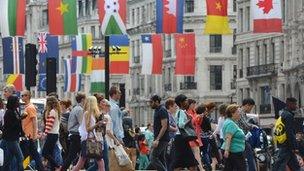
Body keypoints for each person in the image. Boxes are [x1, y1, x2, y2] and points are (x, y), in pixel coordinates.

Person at [72, 96, 105, 171]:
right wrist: (97, 124)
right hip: (89, 139)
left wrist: (101, 124)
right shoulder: (87, 113)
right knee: (99, 160)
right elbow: (88, 129)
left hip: (90, 139)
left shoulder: (93, 113)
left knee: (82, 161)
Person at [273, 98, 301, 171]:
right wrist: (294, 147)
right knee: (280, 166)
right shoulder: (288, 116)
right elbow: (290, 132)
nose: (296, 106)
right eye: (294, 104)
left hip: (284, 144)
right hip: (286, 145)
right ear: (289, 104)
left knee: (295, 166)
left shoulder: (283, 114)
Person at [20, 90, 44, 171]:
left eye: (24, 95)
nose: (22, 97)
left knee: (27, 154)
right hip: (27, 135)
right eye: (22, 95)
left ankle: (23, 167)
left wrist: (34, 135)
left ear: (28, 96)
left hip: (29, 135)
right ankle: (27, 167)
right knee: (32, 154)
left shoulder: (30, 107)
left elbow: (34, 121)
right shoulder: (27, 107)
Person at [61, 93, 86, 171]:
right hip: (77, 135)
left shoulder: (75, 108)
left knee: (79, 155)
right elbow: (82, 123)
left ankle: (73, 168)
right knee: (81, 155)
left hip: (73, 134)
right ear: (82, 100)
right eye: (85, 99)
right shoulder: (79, 109)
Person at [146, 95, 170, 171]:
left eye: (151, 102)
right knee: (161, 159)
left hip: (162, 139)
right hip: (160, 138)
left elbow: (164, 126)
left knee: (152, 157)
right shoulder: (157, 110)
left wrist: (157, 139)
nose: (150, 104)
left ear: (157, 102)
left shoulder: (162, 110)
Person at [1, 95, 24, 171]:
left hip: (14, 137)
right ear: (13, 102)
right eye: (17, 101)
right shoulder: (9, 113)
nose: (18, 102)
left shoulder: (15, 111)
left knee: (8, 160)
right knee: (20, 158)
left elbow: (17, 123)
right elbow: (11, 126)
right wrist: (21, 118)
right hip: (11, 138)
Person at [222, 104, 246, 171]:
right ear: (232, 113)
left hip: (233, 151)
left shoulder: (229, 121)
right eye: (238, 112)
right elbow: (228, 137)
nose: (240, 114)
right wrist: (227, 150)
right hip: (234, 151)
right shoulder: (231, 124)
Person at [238, 98, 258, 171]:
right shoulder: (240, 112)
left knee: (244, 156)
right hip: (242, 138)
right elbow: (245, 125)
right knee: (249, 155)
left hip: (242, 137)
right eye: (251, 107)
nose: (251, 110)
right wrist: (253, 126)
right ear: (247, 105)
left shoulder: (242, 112)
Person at [42, 96, 61, 170]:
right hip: (54, 134)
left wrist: (45, 133)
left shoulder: (52, 111)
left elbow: (50, 124)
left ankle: (57, 166)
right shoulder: (56, 111)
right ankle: (53, 168)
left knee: (45, 153)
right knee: (50, 153)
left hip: (51, 134)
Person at [186, 99, 204, 171]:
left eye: (194, 104)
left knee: (196, 152)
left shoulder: (194, 112)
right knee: (196, 151)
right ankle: (200, 168)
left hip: (195, 134)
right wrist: (198, 117)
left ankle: (197, 168)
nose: (194, 105)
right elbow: (191, 122)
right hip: (191, 135)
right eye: (193, 104)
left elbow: (198, 123)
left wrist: (200, 118)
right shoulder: (187, 112)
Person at [165, 98, 178, 171]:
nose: (176, 108)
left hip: (171, 139)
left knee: (171, 159)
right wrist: (175, 129)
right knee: (170, 159)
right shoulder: (168, 115)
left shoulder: (170, 115)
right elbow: (167, 126)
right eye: (175, 106)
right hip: (169, 140)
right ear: (170, 106)